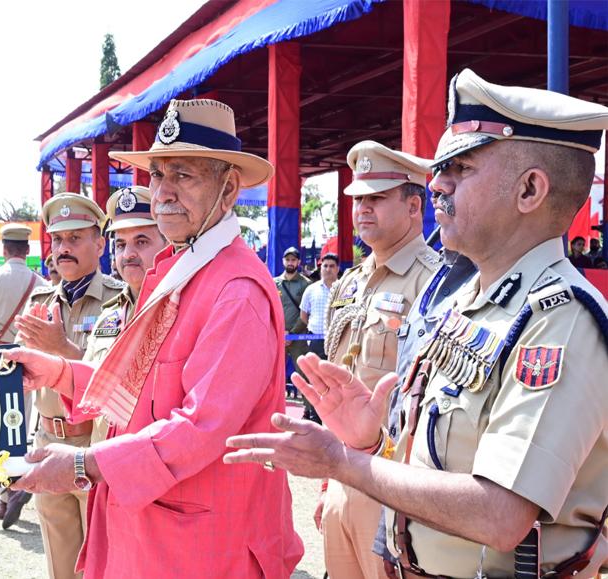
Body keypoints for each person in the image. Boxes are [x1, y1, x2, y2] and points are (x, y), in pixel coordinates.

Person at [225, 68, 608, 579]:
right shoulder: (467, 300)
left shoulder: (559, 320)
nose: (437, 186)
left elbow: (499, 514)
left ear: (530, 189)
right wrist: (365, 441)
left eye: (462, 168)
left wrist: (343, 462)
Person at [8, 98, 304, 577]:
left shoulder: (236, 291)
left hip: (201, 549)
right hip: (157, 537)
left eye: (183, 175)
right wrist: (59, 371)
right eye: (158, 175)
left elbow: (201, 427)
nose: (162, 192)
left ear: (228, 190)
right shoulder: (186, 270)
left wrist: (85, 465)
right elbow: (140, 388)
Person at [317, 140, 440, 579]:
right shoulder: (351, 282)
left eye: (377, 198)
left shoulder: (436, 283)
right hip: (345, 475)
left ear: (413, 206)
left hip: (395, 485)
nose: (363, 209)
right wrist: (330, 480)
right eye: (358, 199)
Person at [8, 193, 124, 571]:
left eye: (75, 238)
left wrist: (62, 350)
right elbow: (16, 372)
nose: (63, 249)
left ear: (100, 243)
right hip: (47, 440)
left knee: (103, 564)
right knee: (60, 563)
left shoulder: (119, 300)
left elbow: (118, 380)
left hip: (96, 446)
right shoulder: (39, 300)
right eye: (57, 240)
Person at [84, 186, 166, 443]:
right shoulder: (108, 314)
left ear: (168, 244)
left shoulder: (183, 309)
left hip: (150, 462)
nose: (127, 254)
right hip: (104, 459)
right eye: (120, 244)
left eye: (141, 242)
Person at [275, 246, 310, 377]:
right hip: (278, 336)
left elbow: (306, 313)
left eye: (293, 260)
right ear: (283, 261)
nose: (290, 262)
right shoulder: (274, 283)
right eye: (288, 259)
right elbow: (270, 310)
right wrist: (280, 332)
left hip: (298, 336)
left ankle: (309, 398)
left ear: (298, 262)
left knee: (305, 375)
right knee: (274, 376)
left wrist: (291, 333)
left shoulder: (306, 284)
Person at [299, 252, 340, 358]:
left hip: (338, 339)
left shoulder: (345, 290)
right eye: (325, 266)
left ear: (337, 269)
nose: (328, 269)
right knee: (315, 372)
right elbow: (303, 315)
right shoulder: (311, 289)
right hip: (316, 340)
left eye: (332, 266)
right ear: (321, 268)